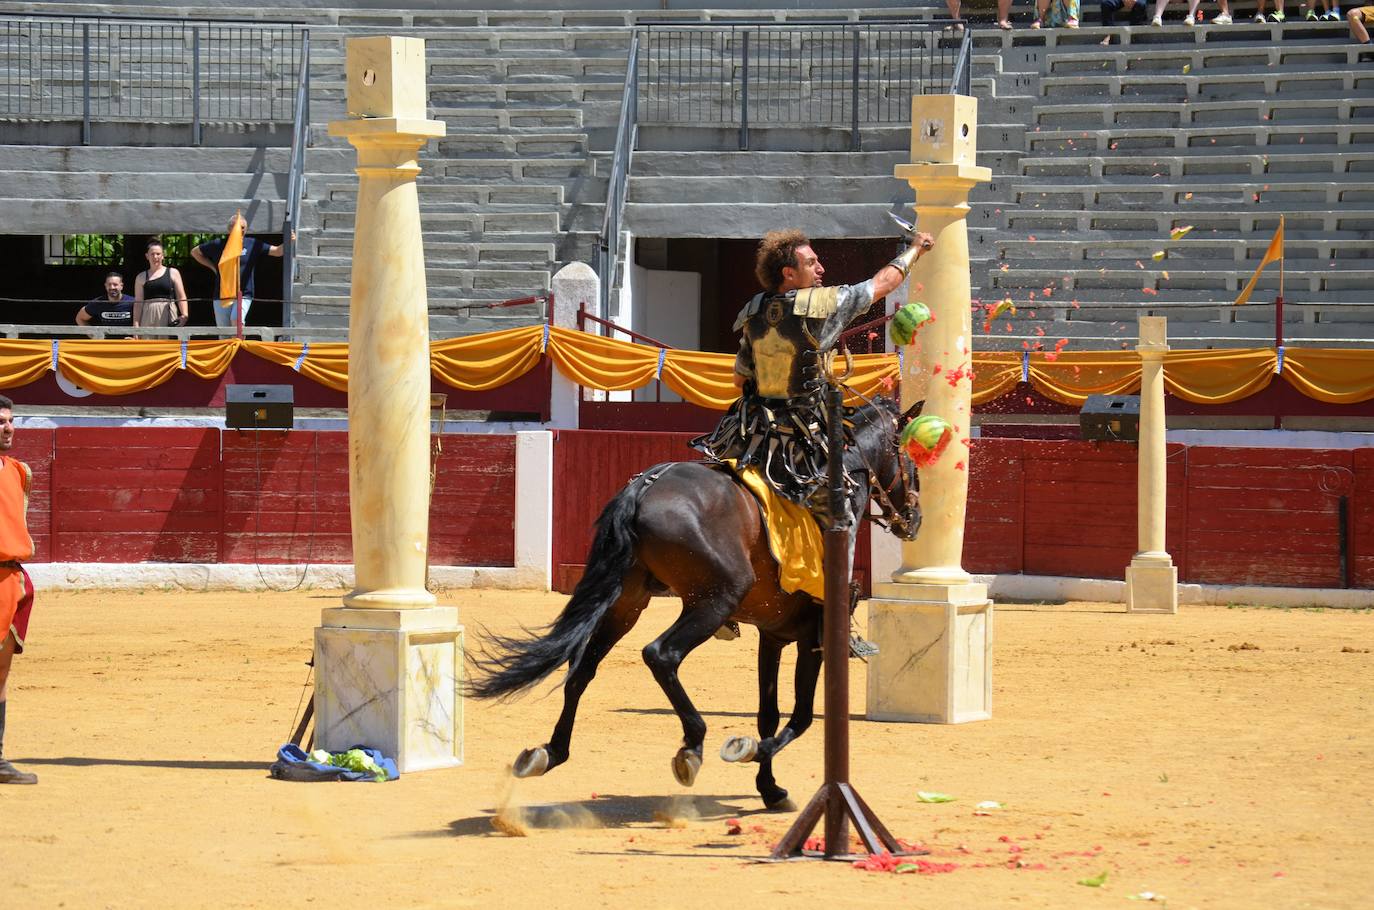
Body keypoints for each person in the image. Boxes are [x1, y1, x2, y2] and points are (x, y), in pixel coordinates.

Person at [691, 228, 934, 656]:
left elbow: (739, 379)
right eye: (811, 263)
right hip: (804, 435)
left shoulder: (753, 311)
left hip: (748, 434)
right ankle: (835, 620)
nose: (821, 269)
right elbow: (884, 284)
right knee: (839, 513)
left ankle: (721, 605)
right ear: (789, 273)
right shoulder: (821, 306)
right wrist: (915, 249)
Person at [0, 396, 37, 785]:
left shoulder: (19, 472)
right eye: (0, 422)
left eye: (10, 421)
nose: (8, 428)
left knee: (1, 672)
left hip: (12, 578)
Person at [190, 214, 288, 330]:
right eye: (238, 227)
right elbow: (195, 252)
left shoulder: (253, 244)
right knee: (223, 330)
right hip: (222, 294)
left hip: (244, 293)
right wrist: (213, 267)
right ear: (229, 229)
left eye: (244, 227)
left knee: (236, 320)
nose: (242, 230)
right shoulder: (218, 244)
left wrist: (288, 241)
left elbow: (277, 251)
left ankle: (240, 347)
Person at [133, 239, 189, 337]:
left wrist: (184, 314)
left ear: (163, 255)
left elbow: (181, 296)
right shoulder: (141, 277)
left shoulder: (173, 272)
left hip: (167, 311)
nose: (155, 257)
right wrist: (136, 324)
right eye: (152, 254)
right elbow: (138, 303)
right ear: (147, 256)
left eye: (158, 254)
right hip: (148, 314)